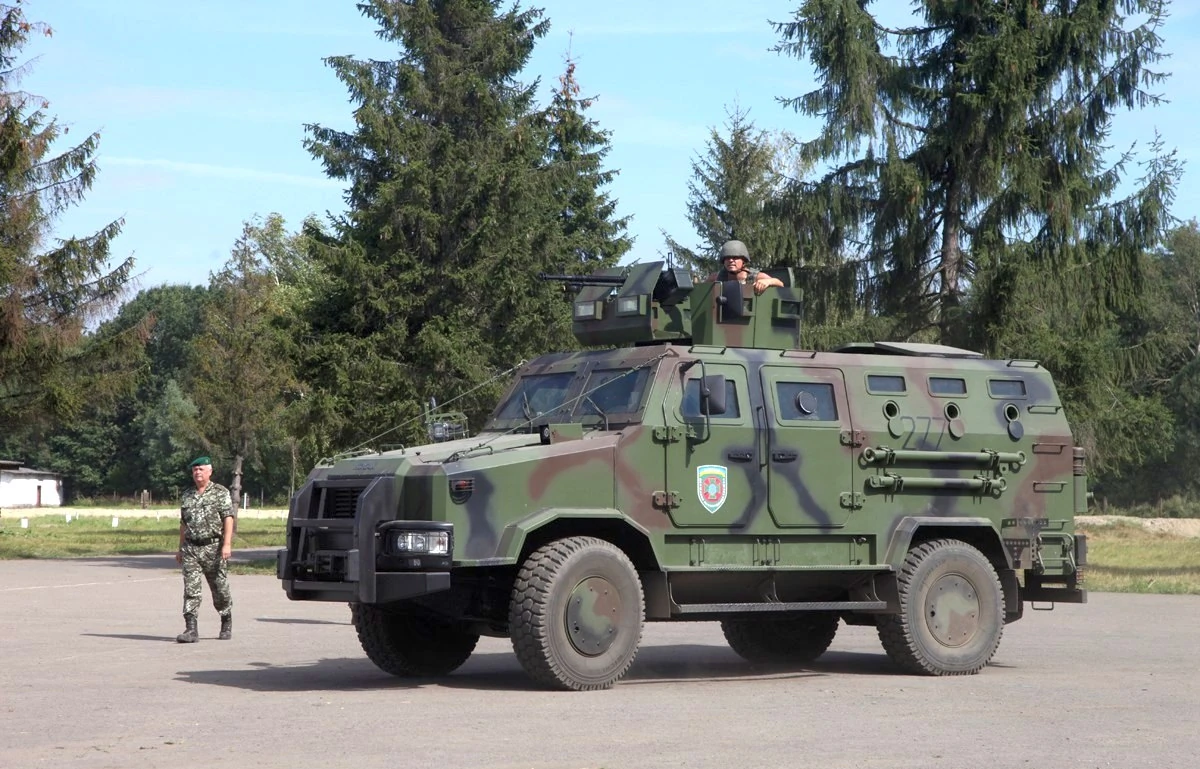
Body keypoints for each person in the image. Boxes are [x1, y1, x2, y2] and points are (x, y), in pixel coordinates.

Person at [175, 455, 234, 643]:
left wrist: (226, 544)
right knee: (191, 589)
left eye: (201, 469)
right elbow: (184, 523)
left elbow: (228, 518)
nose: (197, 472)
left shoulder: (220, 492)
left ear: (210, 471)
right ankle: (191, 629)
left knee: (220, 588)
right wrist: (180, 548)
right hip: (191, 548)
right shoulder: (187, 495)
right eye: (195, 470)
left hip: (213, 547)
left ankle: (226, 621)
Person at [712, 239, 783, 295]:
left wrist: (767, 281)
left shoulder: (754, 276)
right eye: (727, 258)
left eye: (735, 257)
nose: (731, 260)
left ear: (743, 260)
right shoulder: (717, 277)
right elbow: (701, 289)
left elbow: (780, 284)